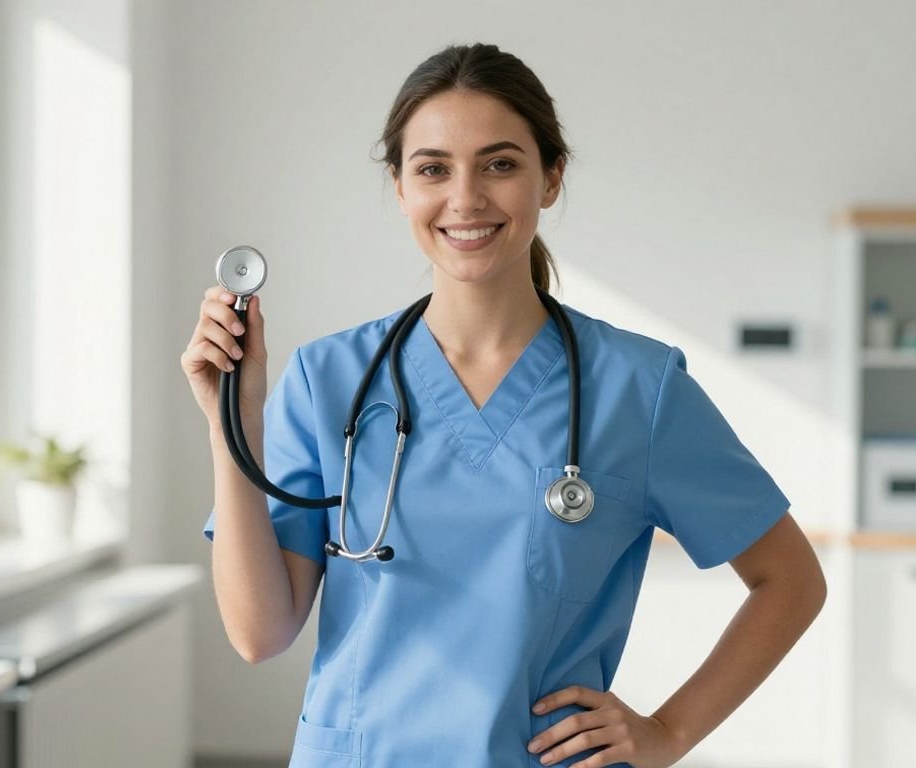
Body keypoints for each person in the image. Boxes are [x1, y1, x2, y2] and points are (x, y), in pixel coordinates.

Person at [182, 42, 826, 768]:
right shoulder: (326, 379)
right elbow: (259, 633)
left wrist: (668, 732)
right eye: (433, 169)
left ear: (550, 178)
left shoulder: (637, 388)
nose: (465, 199)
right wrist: (231, 424)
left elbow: (791, 579)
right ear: (400, 187)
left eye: (499, 164)